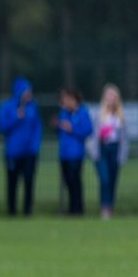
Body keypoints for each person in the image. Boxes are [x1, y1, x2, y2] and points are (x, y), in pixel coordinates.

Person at [0, 77, 41, 217]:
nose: (29, 94)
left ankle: (27, 211)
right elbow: (2, 126)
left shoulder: (33, 107)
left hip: (30, 153)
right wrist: (15, 117)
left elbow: (37, 128)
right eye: (26, 91)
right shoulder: (7, 106)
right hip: (13, 153)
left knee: (29, 182)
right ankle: (12, 211)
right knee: (12, 183)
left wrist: (34, 146)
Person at [54, 87, 93, 216]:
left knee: (75, 181)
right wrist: (56, 126)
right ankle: (71, 209)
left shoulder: (82, 112)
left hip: (76, 154)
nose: (64, 102)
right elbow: (60, 132)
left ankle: (78, 209)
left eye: (67, 99)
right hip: (64, 153)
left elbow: (87, 130)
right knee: (67, 182)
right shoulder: (63, 113)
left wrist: (72, 129)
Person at [93, 83, 127, 218]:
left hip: (115, 149)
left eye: (113, 96)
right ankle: (104, 207)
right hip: (102, 149)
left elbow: (125, 137)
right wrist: (94, 151)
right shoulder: (98, 114)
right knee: (104, 179)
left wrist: (122, 155)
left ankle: (110, 206)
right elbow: (92, 136)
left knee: (112, 179)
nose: (110, 98)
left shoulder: (120, 116)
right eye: (108, 95)